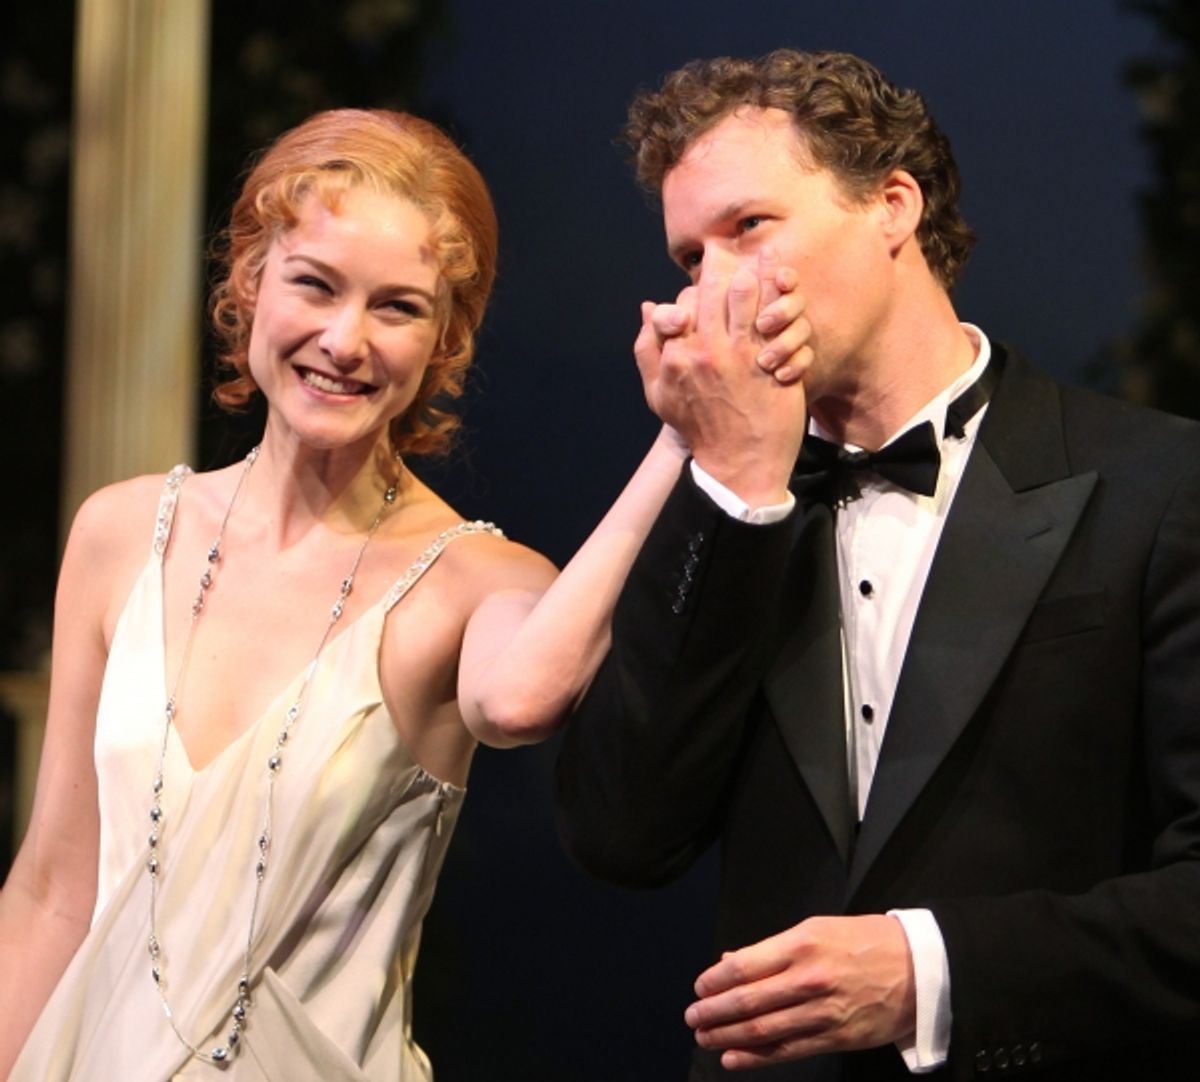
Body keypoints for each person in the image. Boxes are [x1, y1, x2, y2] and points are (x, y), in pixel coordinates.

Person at [0, 107, 809, 1080]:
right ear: (251, 281)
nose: (345, 339)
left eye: (397, 306)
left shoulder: (474, 577)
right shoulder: (122, 530)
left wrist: (678, 438)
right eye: (314, 284)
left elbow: (518, 700)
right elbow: (49, 891)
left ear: (445, 340)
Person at [556, 49, 1200, 1081]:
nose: (714, 285)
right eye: (688, 258)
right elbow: (621, 834)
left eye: (748, 227)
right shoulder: (723, 508)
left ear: (893, 205)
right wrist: (732, 495)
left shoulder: (1163, 482)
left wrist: (930, 969)